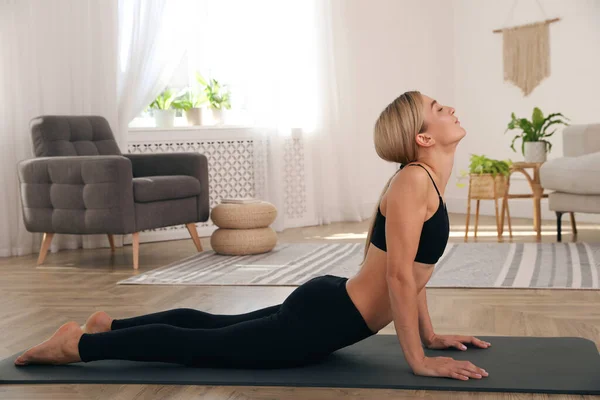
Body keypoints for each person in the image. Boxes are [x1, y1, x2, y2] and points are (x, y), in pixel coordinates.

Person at [15, 91, 490, 381]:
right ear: (424, 138)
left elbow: (409, 272)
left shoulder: (423, 182)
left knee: (215, 328)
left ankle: (108, 325)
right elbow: (400, 281)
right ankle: (76, 347)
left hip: (330, 306)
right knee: (201, 348)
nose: (448, 107)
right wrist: (419, 362)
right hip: (323, 320)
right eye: (437, 107)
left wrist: (431, 336)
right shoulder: (413, 182)